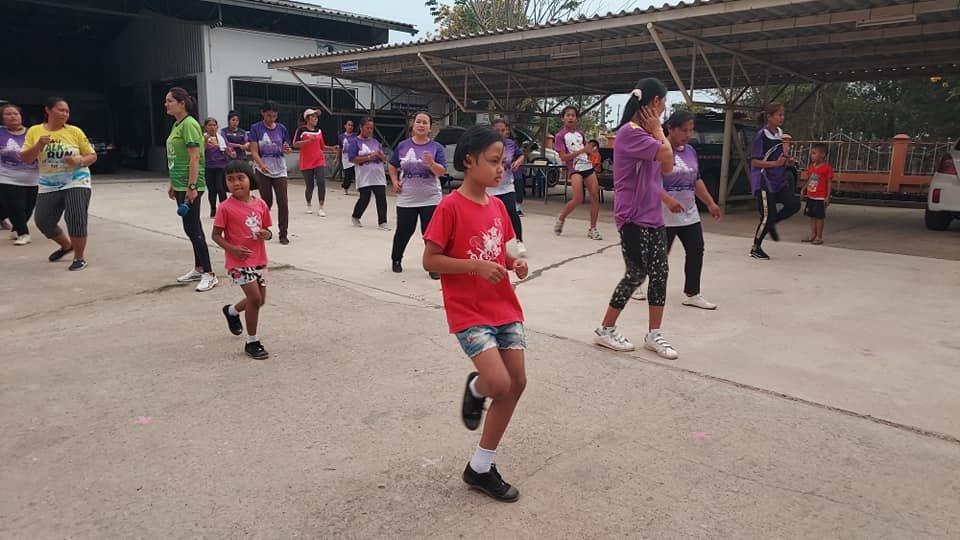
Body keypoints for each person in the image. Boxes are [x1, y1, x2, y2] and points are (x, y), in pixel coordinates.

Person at [422, 124, 529, 502]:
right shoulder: (450, 206)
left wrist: (512, 262)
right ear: (469, 161)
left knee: (517, 382)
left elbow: (495, 253)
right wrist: (474, 267)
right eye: (493, 161)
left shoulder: (499, 206)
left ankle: (481, 466)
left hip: (503, 306)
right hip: (469, 310)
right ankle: (476, 387)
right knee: (497, 383)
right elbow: (430, 260)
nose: (501, 169)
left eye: (503, 162)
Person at [593, 78, 681, 360]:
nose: (665, 108)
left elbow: (667, 168)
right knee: (636, 273)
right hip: (632, 217)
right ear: (655, 103)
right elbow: (666, 153)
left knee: (660, 274)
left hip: (653, 215)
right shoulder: (630, 133)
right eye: (664, 102)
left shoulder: (648, 135)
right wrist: (658, 131)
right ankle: (605, 329)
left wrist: (657, 133)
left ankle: (654, 334)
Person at [633, 110, 721, 310]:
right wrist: (668, 200)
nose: (688, 134)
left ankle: (692, 293)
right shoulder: (659, 151)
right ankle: (636, 281)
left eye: (691, 130)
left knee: (696, 249)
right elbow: (649, 181)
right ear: (670, 129)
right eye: (683, 130)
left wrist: (710, 202)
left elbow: (696, 179)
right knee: (659, 255)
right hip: (662, 214)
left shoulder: (690, 151)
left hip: (688, 212)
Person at [20, 97, 97, 271]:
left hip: (76, 181)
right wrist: (39, 144)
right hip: (49, 183)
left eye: (67, 111)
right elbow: (26, 158)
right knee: (43, 221)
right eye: (61, 110)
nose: (65, 114)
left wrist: (79, 160)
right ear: (48, 110)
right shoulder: (34, 131)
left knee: (75, 218)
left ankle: (79, 257)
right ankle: (66, 246)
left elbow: (92, 156)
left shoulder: (75, 131)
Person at [213, 160, 272, 360]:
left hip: (259, 259)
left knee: (260, 300)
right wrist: (233, 249)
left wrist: (267, 234)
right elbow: (216, 235)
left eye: (240, 178)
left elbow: (267, 229)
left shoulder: (261, 204)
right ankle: (252, 341)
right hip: (238, 262)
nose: (236, 183)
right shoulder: (225, 207)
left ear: (250, 179)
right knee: (255, 299)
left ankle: (231, 311)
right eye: (230, 180)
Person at [165, 88, 218, 291]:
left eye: (170, 101)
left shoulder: (189, 124)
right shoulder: (177, 125)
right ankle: (199, 268)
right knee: (189, 228)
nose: (166, 104)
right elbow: (176, 157)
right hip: (180, 184)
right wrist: (173, 183)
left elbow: (195, 157)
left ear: (182, 103)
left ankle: (210, 273)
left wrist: (192, 186)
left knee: (194, 229)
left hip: (191, 185)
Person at [388, 111, 446, 277]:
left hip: (430, 198)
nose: (421, 125)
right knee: (404, 230)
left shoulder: (436, 148)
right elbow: (392, 165)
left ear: (430, 128)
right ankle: (396, 259)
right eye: (418, 122)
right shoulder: (403, 146)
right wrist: (394, 181)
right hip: (407, 198)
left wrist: (431, 163)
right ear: (413, 125)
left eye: (425, 123)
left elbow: (441, 172)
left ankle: (433, 265)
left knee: (431, 234)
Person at [749, 101, 800, 260]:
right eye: (779, 114)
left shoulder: (780, 133)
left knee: (793, 204)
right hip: (764, 179)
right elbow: (755, 162)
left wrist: (788, 161)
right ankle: (755, 247)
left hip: (778, 179)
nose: (782, 117)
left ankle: (770, 223)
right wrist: (775, 164)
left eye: (783, 114)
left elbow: (779, 157)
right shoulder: (761, 135)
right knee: (767, 214)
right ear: (769, 117)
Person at [554, 106, 603, 240]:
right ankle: (562, 218)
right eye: (568, 115)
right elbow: (563, 157)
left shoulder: (580, 133)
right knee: (578, 198)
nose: (570, 117)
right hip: (574, 168)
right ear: (563, 118)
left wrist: (591, 153)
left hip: (587, 166)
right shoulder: (560, 136)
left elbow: (585, 149)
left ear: (576, 118)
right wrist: (582, 151)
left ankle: (593, 229)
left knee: (594, 196)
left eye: (573, 115)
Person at [248, 100, 293, 244]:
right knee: (266, 202)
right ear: (263, 113)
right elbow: (254, 151)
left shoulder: (281, 128)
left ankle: (283, 233)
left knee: (283, 202)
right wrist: (261, 166)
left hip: (279, 169)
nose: (271, 119)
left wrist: (287, 149)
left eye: (274, 116)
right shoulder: (256, 128)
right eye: (268, 116)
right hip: (263, 170)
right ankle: (264, 229)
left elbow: (287, 146)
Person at [0, 103, 39, 246]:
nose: (12, 116)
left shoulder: (32, 133)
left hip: (32, 178)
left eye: (15, 114)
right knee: (16, 207)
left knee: (29, 207)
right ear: (2, 118)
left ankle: (16, 229)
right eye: (8, 114)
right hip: (7, 177)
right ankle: (24, 233)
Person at [489, 119, 527, 257]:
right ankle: (497, 243)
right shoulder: (485, 145)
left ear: (507, 132)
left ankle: (519, 240)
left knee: (512, 212)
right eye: (496, 130)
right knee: (493, 217)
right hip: (490, 187)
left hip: (506, 186)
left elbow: (521, 155)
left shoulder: (511, 144)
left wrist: (518, 161)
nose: (500, 133)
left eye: (502, 130)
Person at [294, 108, 338, 217]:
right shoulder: (301, 130)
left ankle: (321, 207)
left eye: (316, 117)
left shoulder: (319, 131)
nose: (315, 119)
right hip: (306, 160)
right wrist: (308, 140)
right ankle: (308, 203)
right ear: (307, 118)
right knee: (310, 185)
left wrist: (332, 148)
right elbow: (295, 144)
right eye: (313, 116)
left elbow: (322, 146)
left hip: (319, 159)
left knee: (321, 181)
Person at [348, 117, 389, 230]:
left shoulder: (375, 142)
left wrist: (381, 156)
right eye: (367, 128)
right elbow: (352, 159)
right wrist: (369, 157)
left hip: (378, 175)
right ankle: (356, 216)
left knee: (381, 197)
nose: (370, 130)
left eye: (371, 128)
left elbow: (384, 158)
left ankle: (382, 221)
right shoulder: (354, 142)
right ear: (361, 128)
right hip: (364, 175)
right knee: (365, 198)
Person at [801, 142, 833, 245]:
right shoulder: (811, 167)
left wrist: (827, 197)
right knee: (812, 216)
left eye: (814, 153)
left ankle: (819, 236)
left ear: (822, 155)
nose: (812, 155)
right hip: (811, 196)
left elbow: (829, 183)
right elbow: (810, 179)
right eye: (812, 153)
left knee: (819, 217)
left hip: (820, 197)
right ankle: (813, 234)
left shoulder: (826, 168)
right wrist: (804, 189)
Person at [203, 117, 235, 218]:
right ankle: (213, 209)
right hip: (209, 167)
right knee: (212, 190)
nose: (212, 127)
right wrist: (205, 140)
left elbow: (227, 150)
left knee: (221, 188)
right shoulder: (203, 138)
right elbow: (200, 152)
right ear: (205, 127)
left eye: (214, 125)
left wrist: (230, 152)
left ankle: (224, 209)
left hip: (221, 166)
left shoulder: (221, 138)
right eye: (210, 125)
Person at [338, 119, 356, 194]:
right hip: (346, 159)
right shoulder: (341, 136)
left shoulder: (355, 136)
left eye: (351, 125)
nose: (350, 127)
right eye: (349, 125)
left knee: (358, 174)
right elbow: (340, 148)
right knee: (348, 175)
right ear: (345, 126)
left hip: (355, 158)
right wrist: (337, 157)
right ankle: (345, 186)